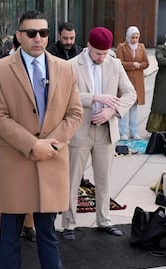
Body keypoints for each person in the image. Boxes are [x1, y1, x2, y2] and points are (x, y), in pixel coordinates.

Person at [0, 10, 83, 269]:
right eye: (31, 33)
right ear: (18, 35)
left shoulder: (65, 69)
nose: (38, 38)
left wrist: (50, 143)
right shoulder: (0, 69)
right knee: (10, 235)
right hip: (15, 160)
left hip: (51, 160)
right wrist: (32, 145)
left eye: (43, 33)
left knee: (48, 234)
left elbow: (75, 114)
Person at [61, 27, 137, 240]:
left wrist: (113, 110)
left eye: (105, 53)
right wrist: (95, 97)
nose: (102, 58)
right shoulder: (71, 65)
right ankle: (68, 224)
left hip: (106, 131)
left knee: (103, 179)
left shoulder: (115, 63)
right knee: (72, 179)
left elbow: (131, 93)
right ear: (88, 46)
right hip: (79, 131)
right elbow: (66, 94)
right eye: (98, 54)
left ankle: (104, 220)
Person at [0, 36, 37, 242]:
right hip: (5, 137)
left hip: (30, 135)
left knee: (29, 183)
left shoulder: (35, 64)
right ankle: (6, 227)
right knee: (6, 186)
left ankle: (28, 224)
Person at [115, 25, 150, 140]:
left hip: (138, 81)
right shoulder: (121, 47)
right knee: (125, 107)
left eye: (136, 37)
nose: (134, 40)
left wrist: (140, 65)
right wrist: (132, 65)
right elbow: (118, 62)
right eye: (133, 37)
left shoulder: (141, 47)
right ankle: (122, 132)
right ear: (128, 37)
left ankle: (134, 131)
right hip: (126, 79)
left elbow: (146, 62)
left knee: (134, 107)